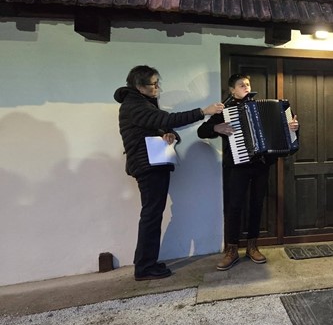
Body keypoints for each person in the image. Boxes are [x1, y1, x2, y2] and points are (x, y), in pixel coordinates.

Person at [115, 65, 224, 281]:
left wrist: (170, 135)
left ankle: (145, 262)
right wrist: (203, 112)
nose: (158, 88)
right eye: (154, 84)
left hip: (153, 164)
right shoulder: (134, 105)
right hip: (148, 166)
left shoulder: (142, 103)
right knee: (151, 215)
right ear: (139, 86)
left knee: (152, 214)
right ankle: (144, 267)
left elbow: (165, 126)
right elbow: (168, 119)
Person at [198, 73, 299, 270]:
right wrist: (217, 127)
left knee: (257, 205)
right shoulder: (225, 110)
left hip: (261, 165)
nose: (246, 87)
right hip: (238, 167)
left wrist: (293, 128)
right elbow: (202, 131)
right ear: (232, 90)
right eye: (241, 85)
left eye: (247, 84)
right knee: (234, 206)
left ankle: (253, 246)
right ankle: (232, 250)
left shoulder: (263, 107)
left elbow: (285, 131)